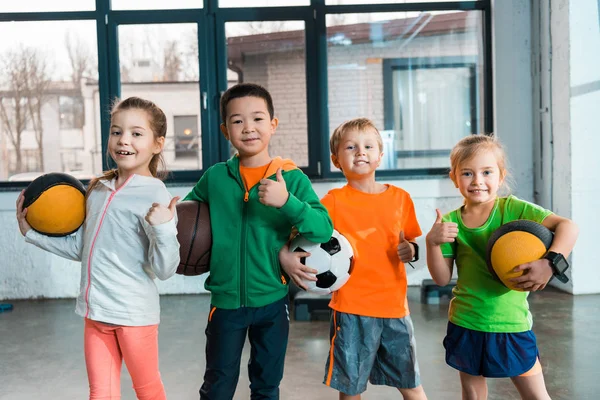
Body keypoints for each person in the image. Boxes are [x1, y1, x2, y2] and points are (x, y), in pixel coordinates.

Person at [16, 96, 180, 400]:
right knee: (100, 394)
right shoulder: (97, 190)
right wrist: (31, 234)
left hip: (134, 316)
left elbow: (165, 269)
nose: (123, 140)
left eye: (136, 133)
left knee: (148, 391)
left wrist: (163, 228)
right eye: (116, 132)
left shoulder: (155, 195)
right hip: (96, 313)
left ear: (158, 144)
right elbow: (83, 247)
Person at [184, 83, 333, 400]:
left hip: (273, 302)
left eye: (257, 119)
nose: (248, 128)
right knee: (217, 385)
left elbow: (322, 229)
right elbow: (186, 219)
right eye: (237, 121)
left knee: (266, 385)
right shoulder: (214, 178)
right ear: (225, 130)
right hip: (225, 303)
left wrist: (287, 202)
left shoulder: (290, 178)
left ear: (273, 125)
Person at [280, 118, 428, 400]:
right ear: (336, 159)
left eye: (368, 146)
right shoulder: (332, 202)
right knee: (350, 387)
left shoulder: (401, 199)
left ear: (380, 156)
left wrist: (412, 250)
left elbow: (413, 243)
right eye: (351, 147)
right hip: (351, 309)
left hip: (394, 308)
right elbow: (302, 235)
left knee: (411, 383)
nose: (360, 152)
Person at [425, 134, 579, 400]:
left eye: (486, 172)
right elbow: (441, 279)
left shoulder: (514, 208)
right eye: (467, 173)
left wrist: (551, 263)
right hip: (466, 321)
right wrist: (432, 243)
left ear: (501, 175)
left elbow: (568, 227)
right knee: (473, 395)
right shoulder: (450, 222)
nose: (478, 181)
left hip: (511, 323)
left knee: (536, 396)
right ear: (454, 178)